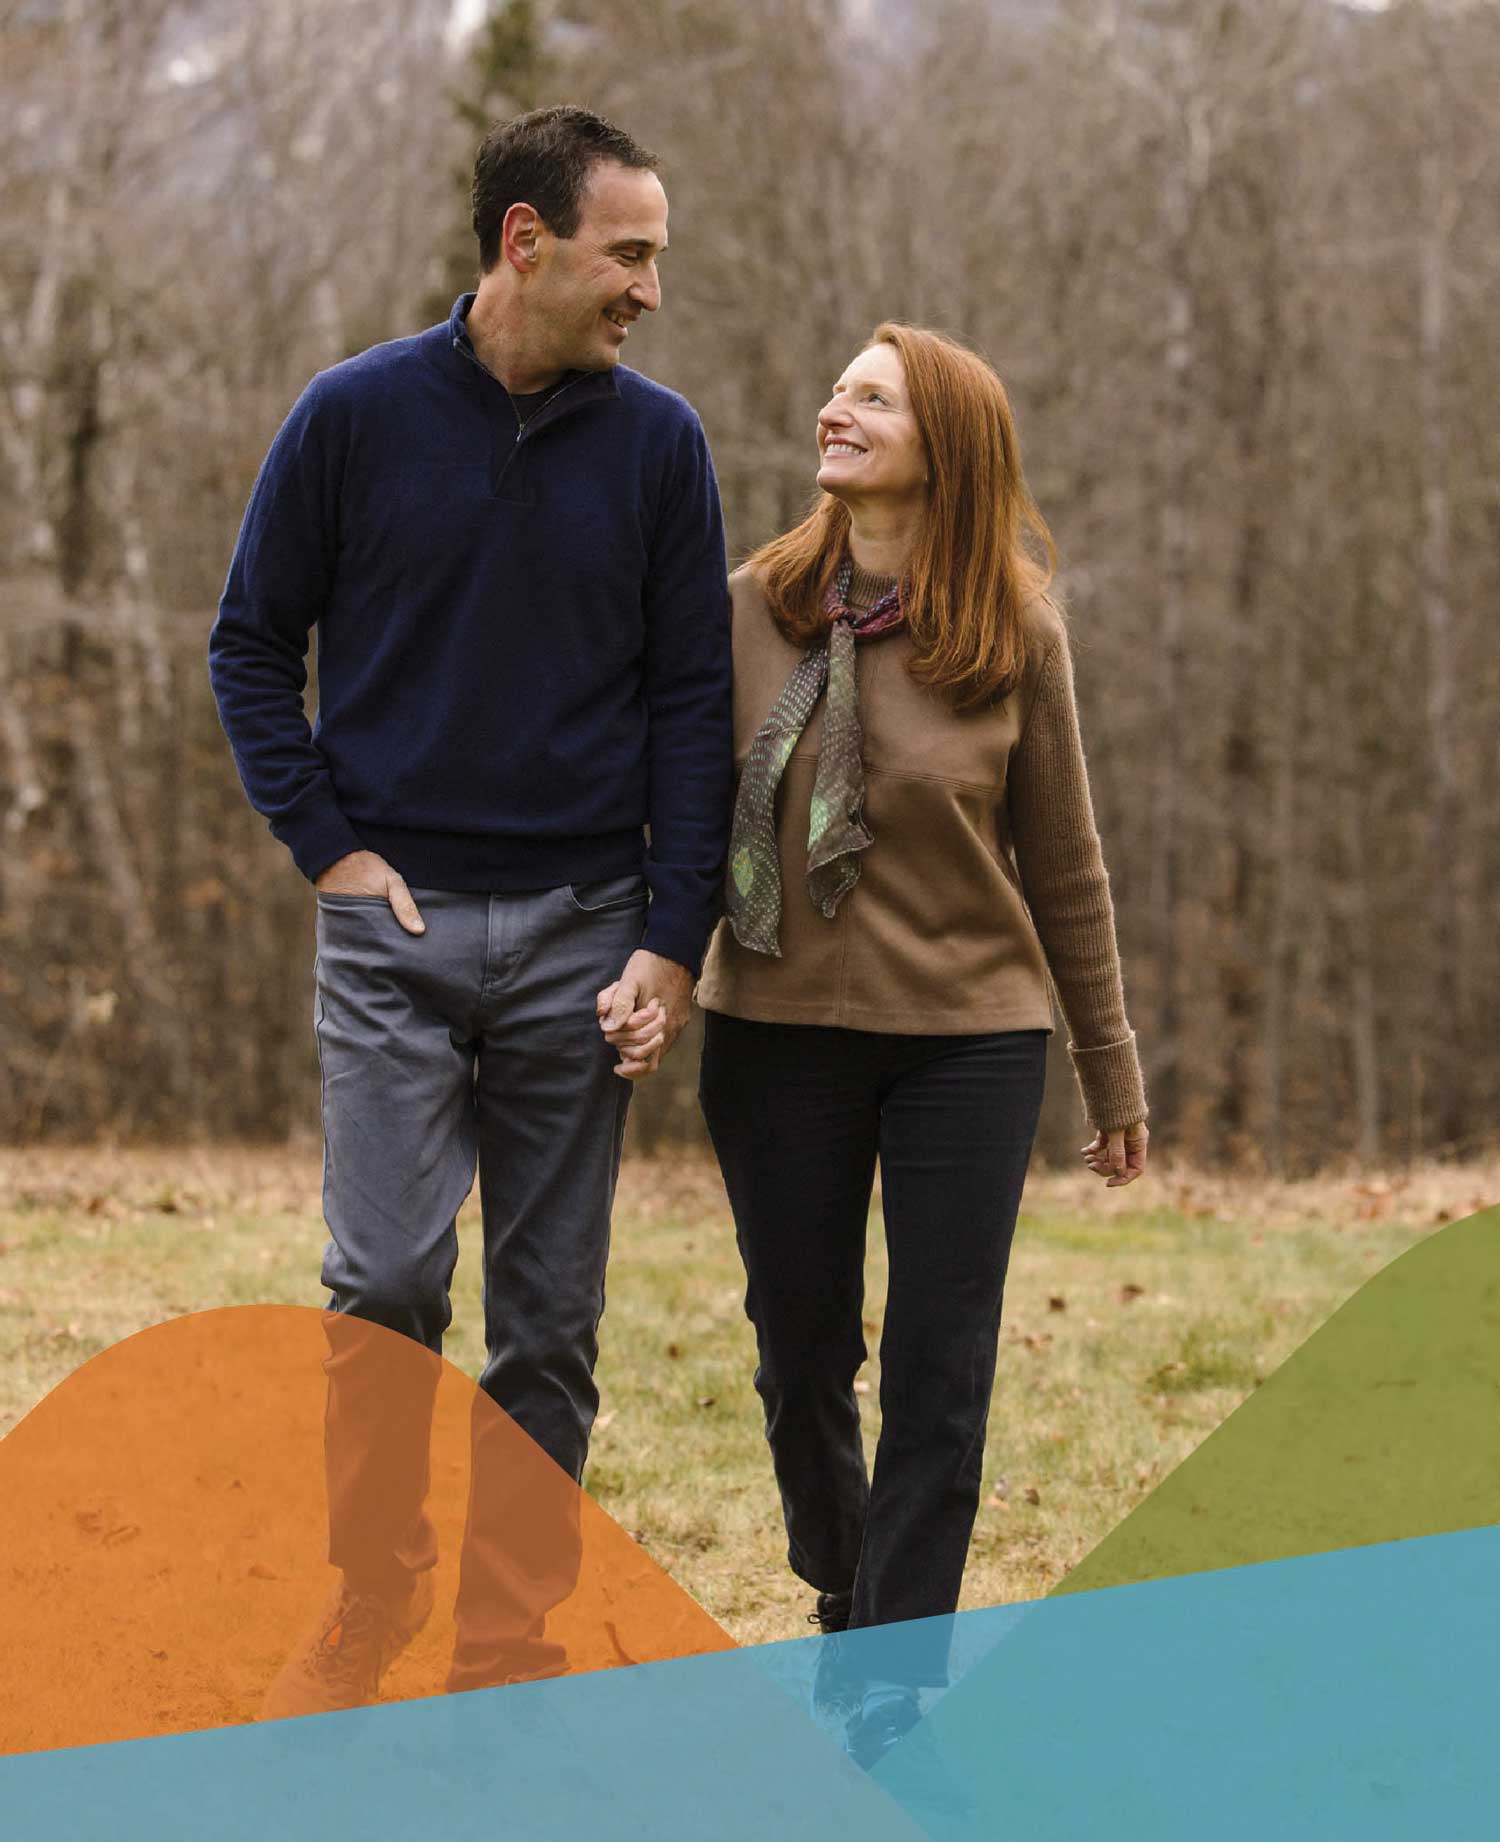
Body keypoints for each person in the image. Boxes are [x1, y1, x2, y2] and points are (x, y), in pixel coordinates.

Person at [208, 105, 732, 1713]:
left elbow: (694, 712)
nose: (649, 287)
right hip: (395, 936)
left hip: (585, 933)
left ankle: (506, 1641)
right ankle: (376, 1591)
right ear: (528, 243)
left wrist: (668, 935)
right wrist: (328, 850)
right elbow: (248, 643)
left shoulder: (661, 448)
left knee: (550, 1319)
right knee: (380, 1282)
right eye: (628, 253)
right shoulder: (352, 417)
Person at [695, 322, 1149, 1764]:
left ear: (942, 445)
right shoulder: (743, 611)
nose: (835, 407)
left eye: (873, 397)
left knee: (941, 1369)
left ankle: (896, 1675)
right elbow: (665, 819)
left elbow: (1064, 859)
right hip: (772, 1030)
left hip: (970, 1037)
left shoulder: (1015, 625)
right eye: (836, 386)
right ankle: (847, 1590)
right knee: (800, 1347)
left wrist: (1111, 1065)